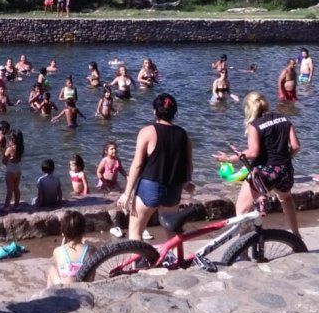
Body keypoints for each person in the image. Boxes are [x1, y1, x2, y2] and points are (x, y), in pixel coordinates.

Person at [214, 91, 301, 237]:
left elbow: (253, 152)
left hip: (265, 174)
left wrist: (229, 159)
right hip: (285, 171)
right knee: (286, 199)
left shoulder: (254, 125)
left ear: (249, 108)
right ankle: (296, 235)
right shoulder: (284, 119)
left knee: (242, 210)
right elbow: (296, 146)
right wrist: (285, 159)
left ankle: (243, 251)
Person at [117, 93, 194, 241]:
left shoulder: (147, 132)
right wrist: (186, 182)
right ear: (174, 113)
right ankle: (174, 262)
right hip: (173, 190)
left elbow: (138, 164)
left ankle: (139, 263)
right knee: (171, 234)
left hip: (150, 188)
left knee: (136, 233)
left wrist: (127, 193)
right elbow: (188, 165)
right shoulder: (184, 135)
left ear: (154, 111)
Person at [46, 210, 90, 286]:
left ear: (63, 233)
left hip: (64, 290)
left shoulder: (57, 251)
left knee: (52, 269)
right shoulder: (91, 249)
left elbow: (59, 266)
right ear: (83, 231)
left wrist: (63, 245)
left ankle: (49, 293)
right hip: (84, 287)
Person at [2, 129, 24, 211]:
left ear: (11, 139)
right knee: (16, 188)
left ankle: (6, 206)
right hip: (18, 170)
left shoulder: (9, 149)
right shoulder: (21, 148)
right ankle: (16, 204)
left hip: (10, 171)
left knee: (9, 190)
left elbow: (3, 161)